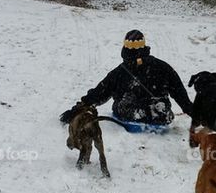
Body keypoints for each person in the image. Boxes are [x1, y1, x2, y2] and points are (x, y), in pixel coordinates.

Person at [60, 30, 192, 131]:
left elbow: (100, 92)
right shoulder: (163, 67)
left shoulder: (120, 72)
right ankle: (152, 110)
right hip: (160, 118)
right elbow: (180, 94)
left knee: (128, 101)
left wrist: (78, 108)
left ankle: (141, 111)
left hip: (131, 118)